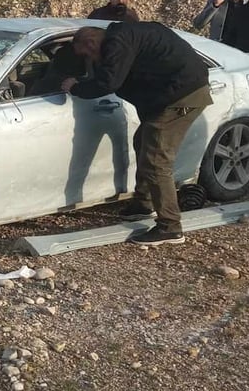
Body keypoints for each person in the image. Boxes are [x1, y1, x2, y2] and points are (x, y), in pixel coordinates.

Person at [62, 24, 213, 246]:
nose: (90, 61)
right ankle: (143, 204)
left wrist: (76, 87)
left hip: (181, 95)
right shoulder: (125, 36)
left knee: (156, 161)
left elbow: (109, 81)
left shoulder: (117, 43)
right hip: (175, 91)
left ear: (92, 43)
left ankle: (170, 227)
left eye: (87, 55)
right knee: (142, 141)